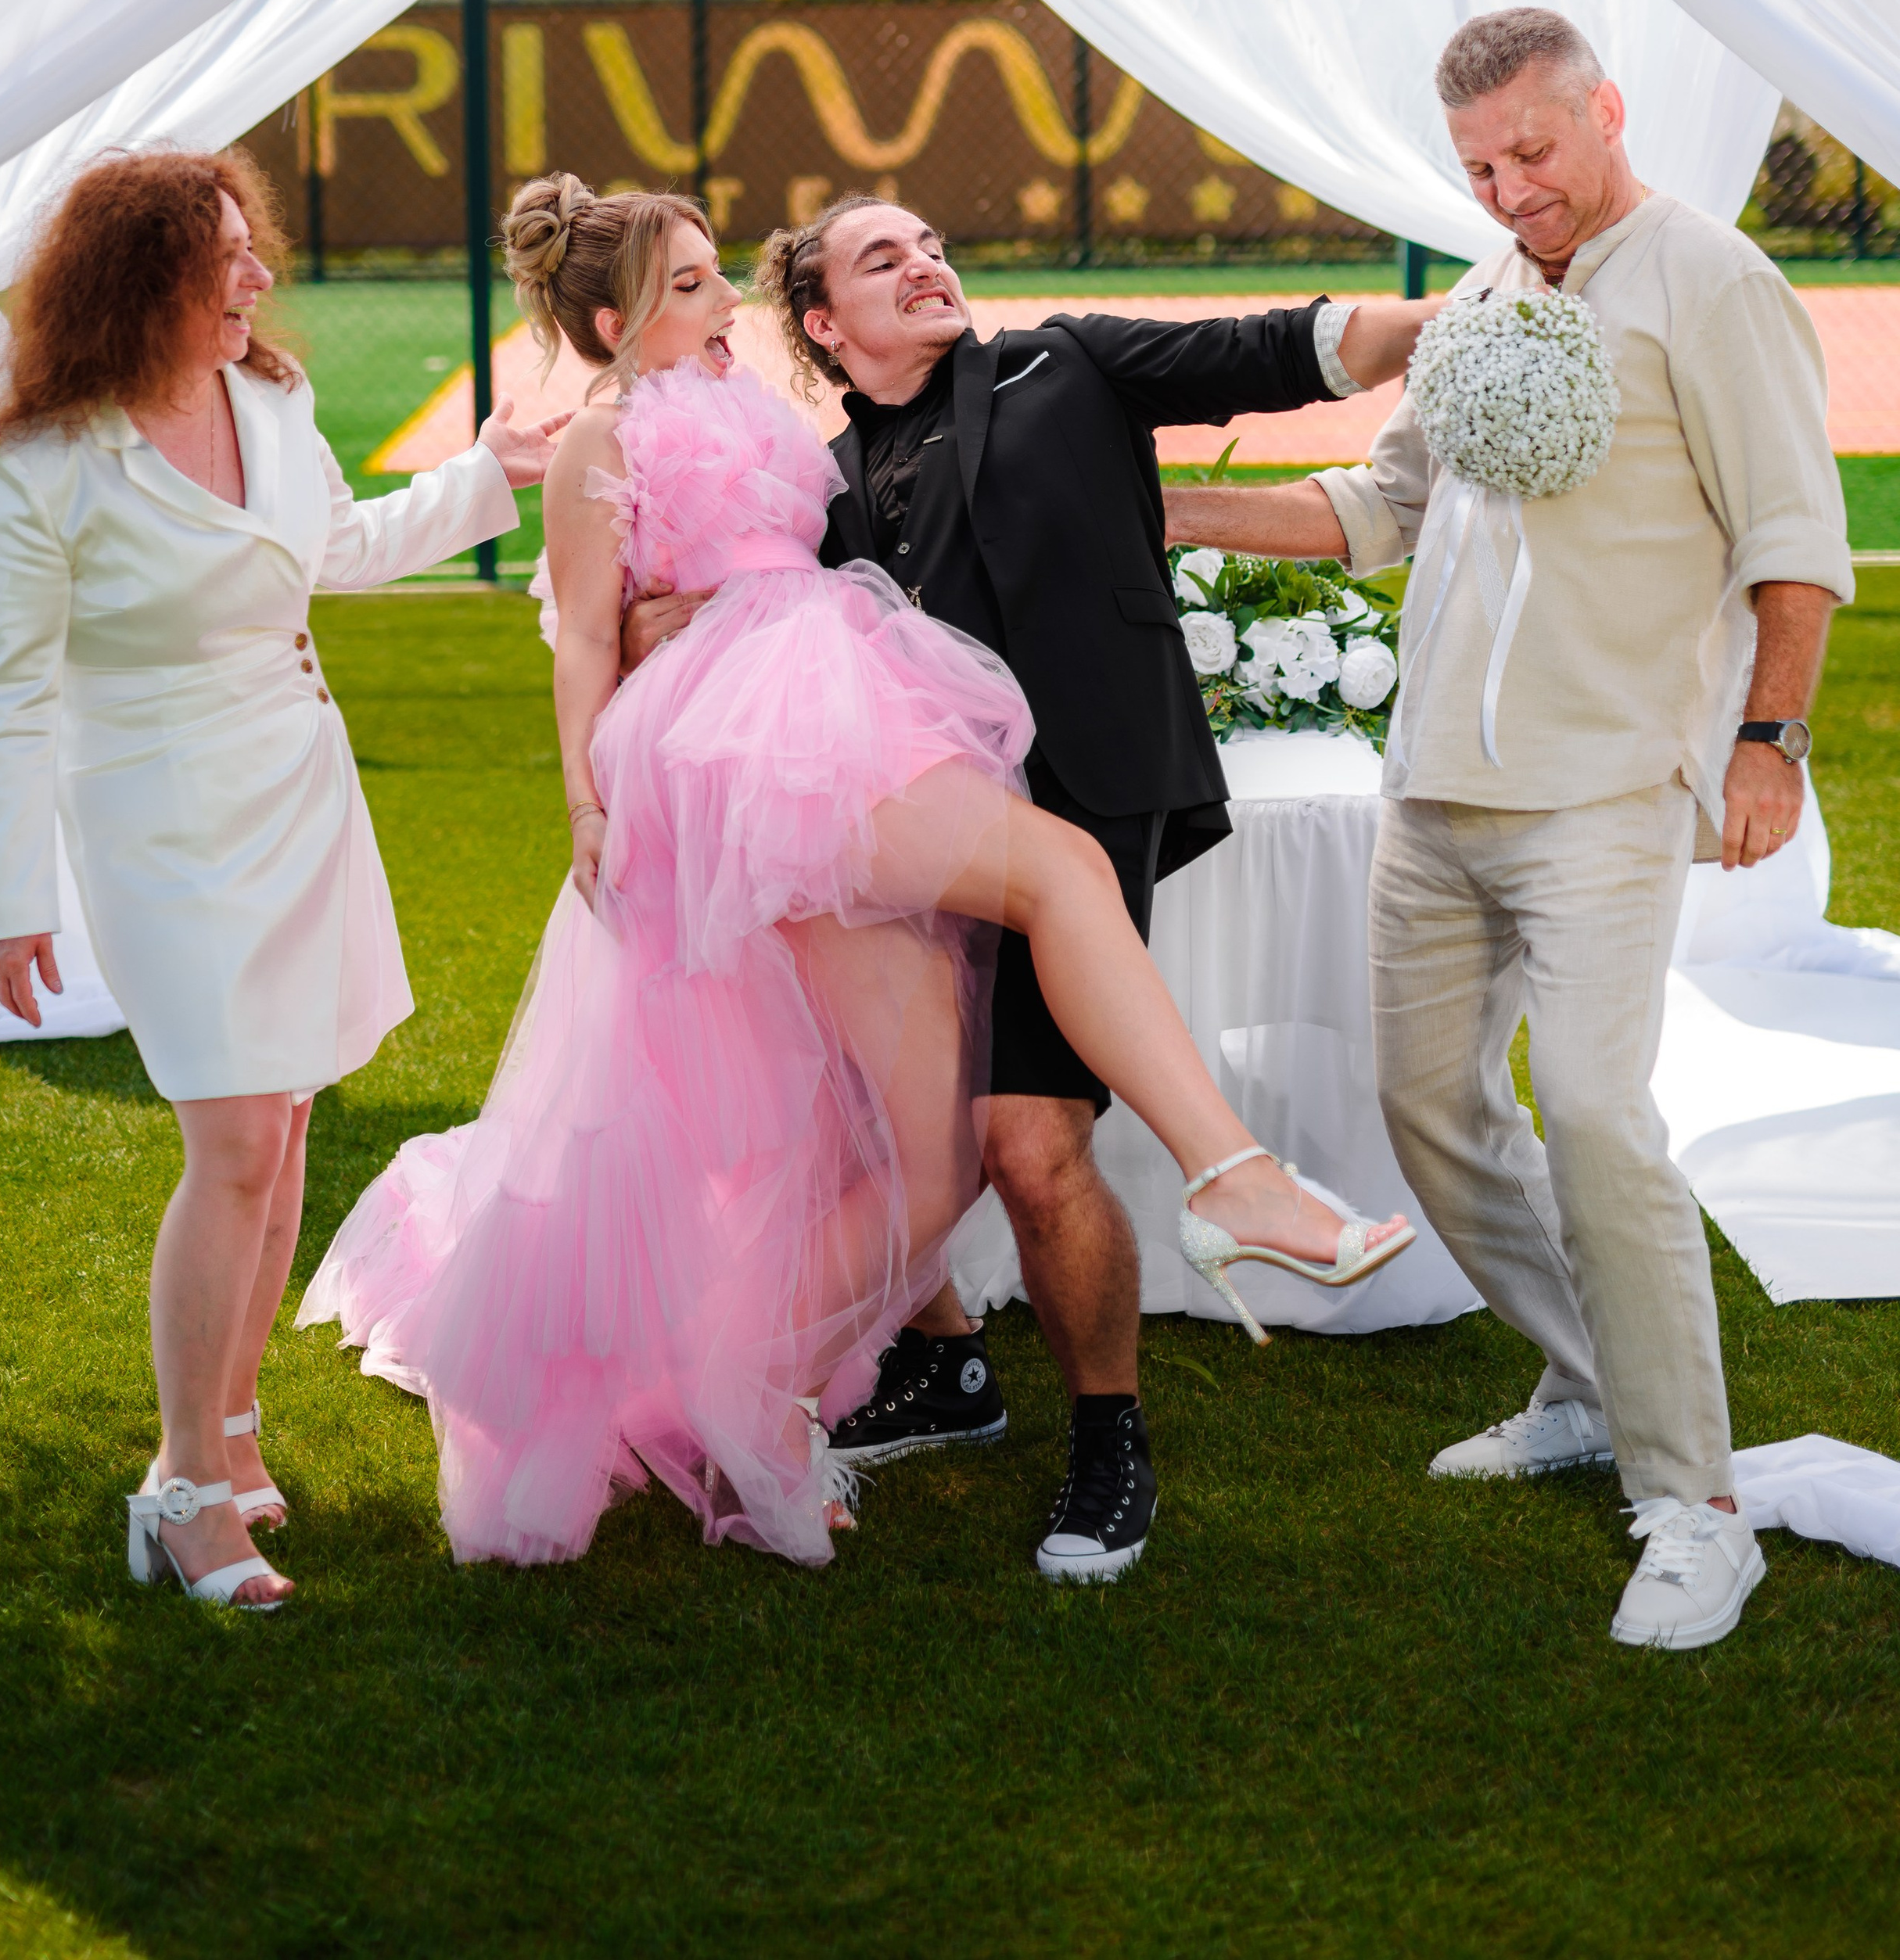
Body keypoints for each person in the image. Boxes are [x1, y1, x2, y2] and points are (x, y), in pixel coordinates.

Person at [302, 181, 1415, 1578]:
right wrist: (585, 797)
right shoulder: (603, 435)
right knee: (1062, 878)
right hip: (754, 747)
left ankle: (749, 1383)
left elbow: (787, 557)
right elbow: (585, 637)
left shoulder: (821, 410)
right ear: (616, 318)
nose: (722, 308)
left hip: (836, 702)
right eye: (693, 284)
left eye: (719, 279)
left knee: (937, 1146)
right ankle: (1234, 1177)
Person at [1166, 8, 1855, 1652]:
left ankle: (1693, 1504)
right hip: (1431, 792)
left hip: (1606, 791)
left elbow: (1792, 537)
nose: (1506, 191)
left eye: (1530, 155)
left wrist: (1764, 742)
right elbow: (1377, 508)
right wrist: (1161, 502)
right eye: (1477, 167)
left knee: (1602, 1119)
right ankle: (1580, 1382)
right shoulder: (1479, 295)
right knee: (1426, 1110)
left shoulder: (1712, 282)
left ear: (1603, 114)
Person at [620, 195, 1434, 1581]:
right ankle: (945, 1370)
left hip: (1081, 793)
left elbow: (1285, 344)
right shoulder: (815, 486)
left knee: (1031, 1147)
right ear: (823, 325)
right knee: (880, 1124)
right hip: (907, 837)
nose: (928, 262)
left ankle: (1109, 1435)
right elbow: (721, 617)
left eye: (933, 242)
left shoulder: (1068, 364)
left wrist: (1462, 320)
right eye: (883, 258)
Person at [0, 148, 562, 1610]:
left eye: (251, 249)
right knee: (231, 1141)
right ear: (139, 282)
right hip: (157, 822)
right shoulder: (40, 465)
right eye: (221, 259)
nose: (257, 277)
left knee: (287, 1121)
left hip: (299, 785)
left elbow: (335, 550)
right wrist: (6, 894)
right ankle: (178, 1492)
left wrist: (493, 476)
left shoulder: (273, 399)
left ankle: (233, 1431)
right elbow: (1, 694)